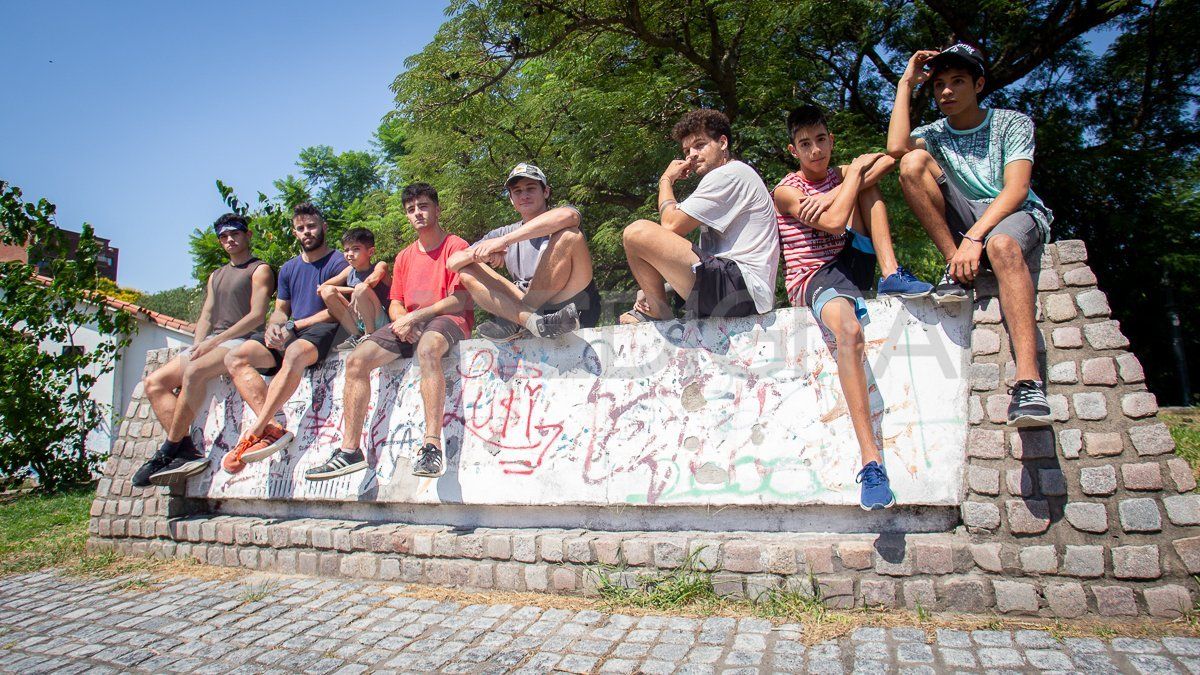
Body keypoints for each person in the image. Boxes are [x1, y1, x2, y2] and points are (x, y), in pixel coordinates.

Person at [774, 105, 934, 510]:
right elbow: (832, 222)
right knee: (849, 332)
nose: (816, 150)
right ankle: (871, 461)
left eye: (821, 140)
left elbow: (890, 158)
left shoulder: (840, 172)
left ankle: (891, 273)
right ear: (793, 150)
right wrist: (849, 179)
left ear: (831, 139)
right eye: (805, 144)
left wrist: (851, 176)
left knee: (868, 185)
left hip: (849, 261)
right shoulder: (786, 190)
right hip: (815, 275)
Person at [887, 43, 1054, 427]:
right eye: (939, 84)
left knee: (1003, 245)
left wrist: (975, 237)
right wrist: (905, 82)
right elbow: (896, 148)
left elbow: (1016, 189)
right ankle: (955, 268)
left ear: (978, 84)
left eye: (958, 81)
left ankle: (1028, 383)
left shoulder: (1011, 123)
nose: (946, 91)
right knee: (911, 163)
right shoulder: (933, 133)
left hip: (1013, 213)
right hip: (965, 217)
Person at [305, 183, 472, 481]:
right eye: (411, 209)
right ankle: (350, 451)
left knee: (427, 349)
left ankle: (432, 447)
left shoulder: (456, 245)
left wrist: (416, 317)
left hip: (447, 319)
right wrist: (401, 321)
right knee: (357, 360)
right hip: (409, 323)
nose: (417, 213)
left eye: (423, 206)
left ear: (437, 209)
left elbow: (459, 300)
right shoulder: (405, 256)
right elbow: (395, 302)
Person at [132, 214, 275, 487]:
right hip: (213, 341)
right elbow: (207, 315)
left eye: (235, 233)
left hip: (242, 340)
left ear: (247, 235)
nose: (230, 240)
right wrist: (198, 345)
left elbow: (257, 315)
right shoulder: (216, 275)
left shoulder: (260, 270)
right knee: (154, 383)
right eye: (224, 236)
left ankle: (167, 451)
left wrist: (213, 342)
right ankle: (185, 448)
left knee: (195, 371)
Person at [220, 203, 348, 472]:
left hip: (324, 329)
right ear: (294, 232)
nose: (307, 232)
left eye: (312, 226)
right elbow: (280, 310)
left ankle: (255, 431)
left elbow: (339, 308)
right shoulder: (289, 268)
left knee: (294, 352)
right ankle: (272, 426)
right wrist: (274, 327)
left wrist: (294, 324)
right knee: (235, 357)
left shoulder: (338, 261)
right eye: (301, 228)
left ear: (324, 228)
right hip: (293, 331)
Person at [620, 109, 778, 323]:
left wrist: (665, 180)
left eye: (700, 145)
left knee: (636, 232)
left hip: (743, 287)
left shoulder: (729, 174)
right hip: (738, 289)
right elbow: (697, 260)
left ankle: (658, 314)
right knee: (641, 254)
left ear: (723, 143)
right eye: (687, 150)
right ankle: (655, 308)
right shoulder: (729, 176)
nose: (691, 155)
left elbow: (670, 224)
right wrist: (654, 288)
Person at [448, 163, 597, 342]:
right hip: (527, 306)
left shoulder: (561, 215)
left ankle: (516, 320)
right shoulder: (501, 232)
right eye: (517, 191)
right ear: (511, 199)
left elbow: (570, 217)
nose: (524, 195)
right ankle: (529, 320)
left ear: (546, 192)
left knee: (570, 235)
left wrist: (504, 241)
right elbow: (452, 262)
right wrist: (482, 254)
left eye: (530, 188)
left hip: (569, 303)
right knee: (467, 269)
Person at [318, 227, 390, 352]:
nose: (349, 254)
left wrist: (358, 290)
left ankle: (370, 335)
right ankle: (356, 335)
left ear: (371, 252)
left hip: (380, 319)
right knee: (327, 292)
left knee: (361, 288)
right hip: (358, 319)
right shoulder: (349, 271)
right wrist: (352, 291)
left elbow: (372, 280)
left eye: (356, 249)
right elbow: (321, 288)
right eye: (346, 250)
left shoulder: (379, 265)